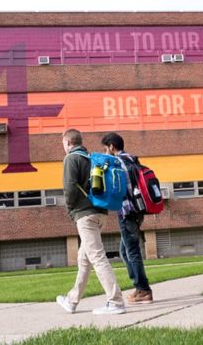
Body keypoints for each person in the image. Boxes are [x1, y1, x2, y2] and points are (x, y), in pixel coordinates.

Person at [56, 129, 126, 315]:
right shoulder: (90, 158)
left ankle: (116, 301)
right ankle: (72, 300)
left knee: (97, 257)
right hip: (100, 213)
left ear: (68, 142)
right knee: (84, 258)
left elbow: (69, 188)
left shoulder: (71, 159)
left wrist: (71, 210)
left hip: (85, 215)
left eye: (63, 143)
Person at [101, 132, 153, 304]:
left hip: (127, 212)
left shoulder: (117, 162)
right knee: (125, 251)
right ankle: (139, 287)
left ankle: (143, 290)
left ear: (111, 146)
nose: (105, 151)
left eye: (105, 148)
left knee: (132, 251)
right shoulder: (133, 159)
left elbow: (116, 189)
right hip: (138, 210)